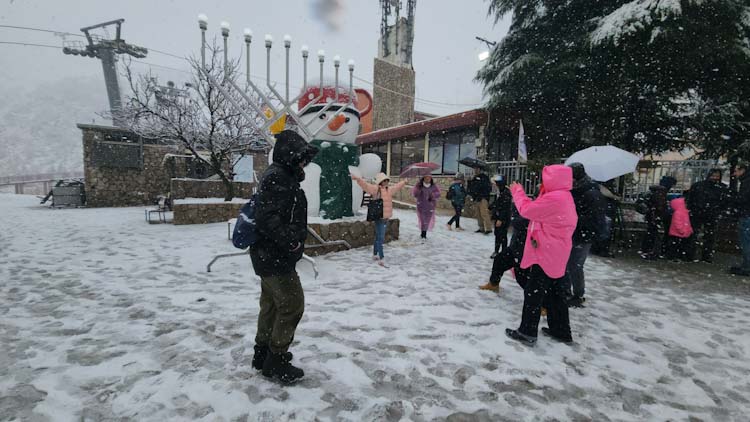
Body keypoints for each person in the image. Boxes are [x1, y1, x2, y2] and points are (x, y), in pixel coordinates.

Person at [250, 130, 319, 384]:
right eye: (301, 158)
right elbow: (268, 218)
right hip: (274, 256)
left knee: (270, 305)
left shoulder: (280, 175)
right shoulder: (279, 178)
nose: (304, 163)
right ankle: (276, 360)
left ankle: (263, 353)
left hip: (267, 255)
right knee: (292, 304)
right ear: (290, 156)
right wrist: (290, 240)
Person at [505, 165, 578, 346]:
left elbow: (527, 210)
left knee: (534, 292)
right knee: (556, 293)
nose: (542, 183)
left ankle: (527, 331)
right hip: (557, 252)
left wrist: (517, 191)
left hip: (546, 252)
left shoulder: (555, 198)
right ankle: (560, 330)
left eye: (545, 179)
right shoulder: (564, 196)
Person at [564, 163, 605, 308]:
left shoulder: (590, 192)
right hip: (576, 232)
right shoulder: (578, 190)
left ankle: (578, 295)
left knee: (575, 265)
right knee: (568, 264)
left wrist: (573, 217)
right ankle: (567, 292)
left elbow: (593, 218)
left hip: (583, 234)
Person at [352, 172, 408, 266]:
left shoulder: (389, 190)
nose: (386, 182)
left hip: (385, 218)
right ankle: (381, 258)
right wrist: (358, 179)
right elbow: (366, 185)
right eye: (384, 181)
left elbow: (397, 187)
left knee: (378, 237)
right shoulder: (376, 189)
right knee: (381, 238)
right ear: (380, 182)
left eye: (387, 180)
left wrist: (404, 182)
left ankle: (375, 254)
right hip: (379, 217)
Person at [479, 204, 529, 292]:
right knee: (499, 260)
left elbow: (520, 222)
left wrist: (514, 217)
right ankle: (493, 284)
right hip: (516, 246)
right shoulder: (529, 203)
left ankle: (543, 302)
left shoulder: (540, 206)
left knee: (522, 276)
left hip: (527, 249)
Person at [685, 169, 729, 263]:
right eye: (713, 175)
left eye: (717, 176)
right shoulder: (699, 186)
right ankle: (691, 254)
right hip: (699, 213)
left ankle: (704, 255)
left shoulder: (721, 188)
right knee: (695, 235)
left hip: (710, 214)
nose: (715, 178)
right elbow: (690, 198)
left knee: (709, 236)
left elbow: (724, 202)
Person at [639, 175, 677, 260]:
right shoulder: (661, 192)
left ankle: (646, 250)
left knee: (650, 232)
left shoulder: (654, 190)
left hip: (651, 214)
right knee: (653, 234)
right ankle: (650, 251)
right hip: (655, 215)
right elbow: (660, 206)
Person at [730, 164, 750, 275]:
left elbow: (743, 199)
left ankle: (747, 268)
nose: (735, 174)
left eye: (736, 171)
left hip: (747, 215)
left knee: (746, 242)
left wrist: (734, 198)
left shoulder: (746, 182)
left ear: (743, 170)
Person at [591, 181, 621, 258]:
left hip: (602, 210)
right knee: (605, 232)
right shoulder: (604, 186)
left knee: (601, 231)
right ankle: (602, 250)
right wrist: (615, 197)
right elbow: (609, 195)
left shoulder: (595, 185)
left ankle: (598, 249)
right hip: (606, 211)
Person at [412, 175, 441, 240]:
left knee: (427, 221)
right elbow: (415, 194)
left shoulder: (433, 186)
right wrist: (418, 188)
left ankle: (424, 233)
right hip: (421, 206)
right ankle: (423, 234)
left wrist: (433, 195)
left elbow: (438, 194)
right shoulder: (419, 185)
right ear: (423, 178)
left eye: (429, 178)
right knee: (422, 220)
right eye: (426, 178)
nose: (428, 179)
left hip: (430, 206)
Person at [490, 175, 512, 258]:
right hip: (499, 216)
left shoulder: (506, 193)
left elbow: (505, 207)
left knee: (502, 235)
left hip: (503, 218)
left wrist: (500, 219)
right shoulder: (501, 192)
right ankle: (497, 251)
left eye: (496, 183)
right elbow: (498, 203)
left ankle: (503, 253)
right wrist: (491, 206)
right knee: (498, 234)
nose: (494, 185)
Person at [665, 196, 693, 261]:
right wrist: (682, 230)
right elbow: (678, 223)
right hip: (678, 233)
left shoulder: (684, 212)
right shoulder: (679, 213)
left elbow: (687, 222)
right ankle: (673, 256)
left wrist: (689, 229)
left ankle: (677, 256)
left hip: (681, 233)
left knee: (678, 246)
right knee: (675, 246)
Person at [468, 169, 493, 234]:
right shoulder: (474, 178)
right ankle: (481, 228)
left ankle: (488, 228)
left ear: (480, 170)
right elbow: (471, 189)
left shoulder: (484, 178)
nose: (475, 171)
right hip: (476, 198)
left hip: (483, 198)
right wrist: (469, 181)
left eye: (477, 169)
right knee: (478, 214)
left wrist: (482, 194)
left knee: (484, 213)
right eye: (475, 169)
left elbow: (487, 188)